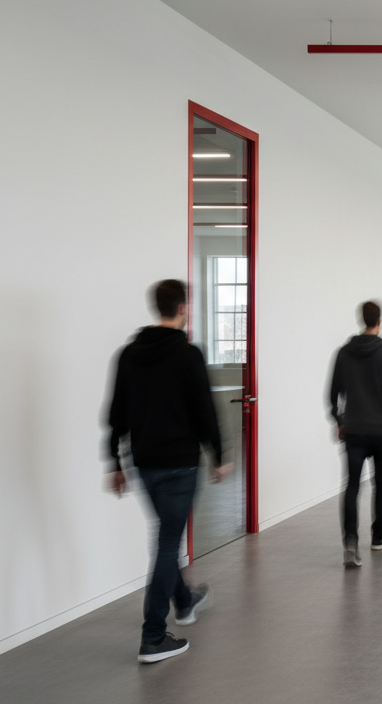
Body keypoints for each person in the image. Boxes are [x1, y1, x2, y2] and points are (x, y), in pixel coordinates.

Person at [105, 279, 231, 664]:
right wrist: (219, 454)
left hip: (144, 464)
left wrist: (114, 462)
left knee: (165, 537)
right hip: (180, 464)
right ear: (182, 308)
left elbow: (116, 413)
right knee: (167, 543)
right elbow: (204, 410)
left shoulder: (128, 355)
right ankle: (153, 636)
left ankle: (185, 601)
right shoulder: (188, 354)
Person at [329, 301, 382, 568]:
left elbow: (333, 393)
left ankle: (350, 543)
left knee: (352, 486)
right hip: (381, 431)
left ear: (362, 320)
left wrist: (339, 420)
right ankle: (378, 536)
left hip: (354, 430)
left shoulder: (343, 353)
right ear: (379, 321)